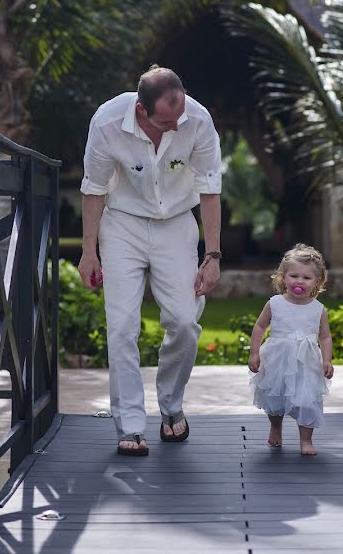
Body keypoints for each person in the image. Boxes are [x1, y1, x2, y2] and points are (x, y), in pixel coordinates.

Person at [77, 65, 222, 456]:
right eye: (165, 121)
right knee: (122, 326)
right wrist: (89, 252)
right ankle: (130, 426)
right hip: (121, 224)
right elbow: (93, 190)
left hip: (176, 225)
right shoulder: (107, 122)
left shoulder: (199, 119)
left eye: (179, 116)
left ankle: (172, 406)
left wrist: (212, 255)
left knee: (185, 322)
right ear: (141, 111)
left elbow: (210, 189)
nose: (176, 126)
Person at [248, 244, 334, 455]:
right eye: (294, 275)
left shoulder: (318, 309)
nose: (299, 281)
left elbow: (325, 336)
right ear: (283, 277)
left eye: (306, 278)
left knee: (307, 400)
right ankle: (275, 427)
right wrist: (254, 352)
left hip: (306, 362)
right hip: (278, 359)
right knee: (275, 398)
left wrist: (326, 360)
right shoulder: (275, 303)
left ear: (317, 281)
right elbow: (260, 326)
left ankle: (306, 440)